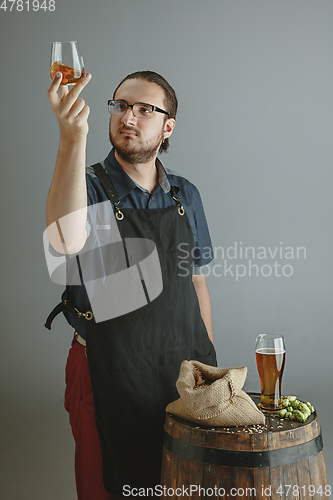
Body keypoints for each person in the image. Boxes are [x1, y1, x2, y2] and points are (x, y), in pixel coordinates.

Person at [46, 69, 217, 500]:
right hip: (106, 368)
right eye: (121, 105)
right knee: (109, 485)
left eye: (145, 109)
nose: (129, 116)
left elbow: (196, 283)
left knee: (179, 483)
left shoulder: (184, 195)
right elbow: (65, 241)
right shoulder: (88, 187)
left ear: (167, 127)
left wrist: (208, 370)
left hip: (179, 373)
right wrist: (72, 138)